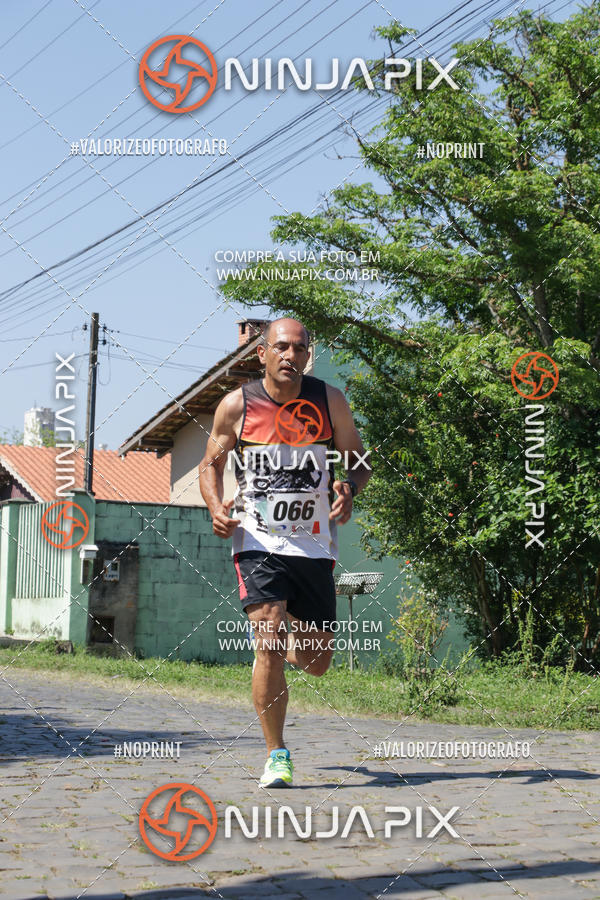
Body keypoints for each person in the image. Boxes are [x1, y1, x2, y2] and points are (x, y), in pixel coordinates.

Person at [199, 318, 371, 787]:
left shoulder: (329, 400)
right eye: (282, 347)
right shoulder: (237, 406)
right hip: (257, 542)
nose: (291, 355)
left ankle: (286, 639)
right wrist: (217, 506)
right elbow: (209, 467)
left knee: (316, 662)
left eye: (300, 348)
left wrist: (348, 489)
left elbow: (358, 461)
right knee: (269, 642)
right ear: (262, 354)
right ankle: (277, 755)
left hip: (314, 545)